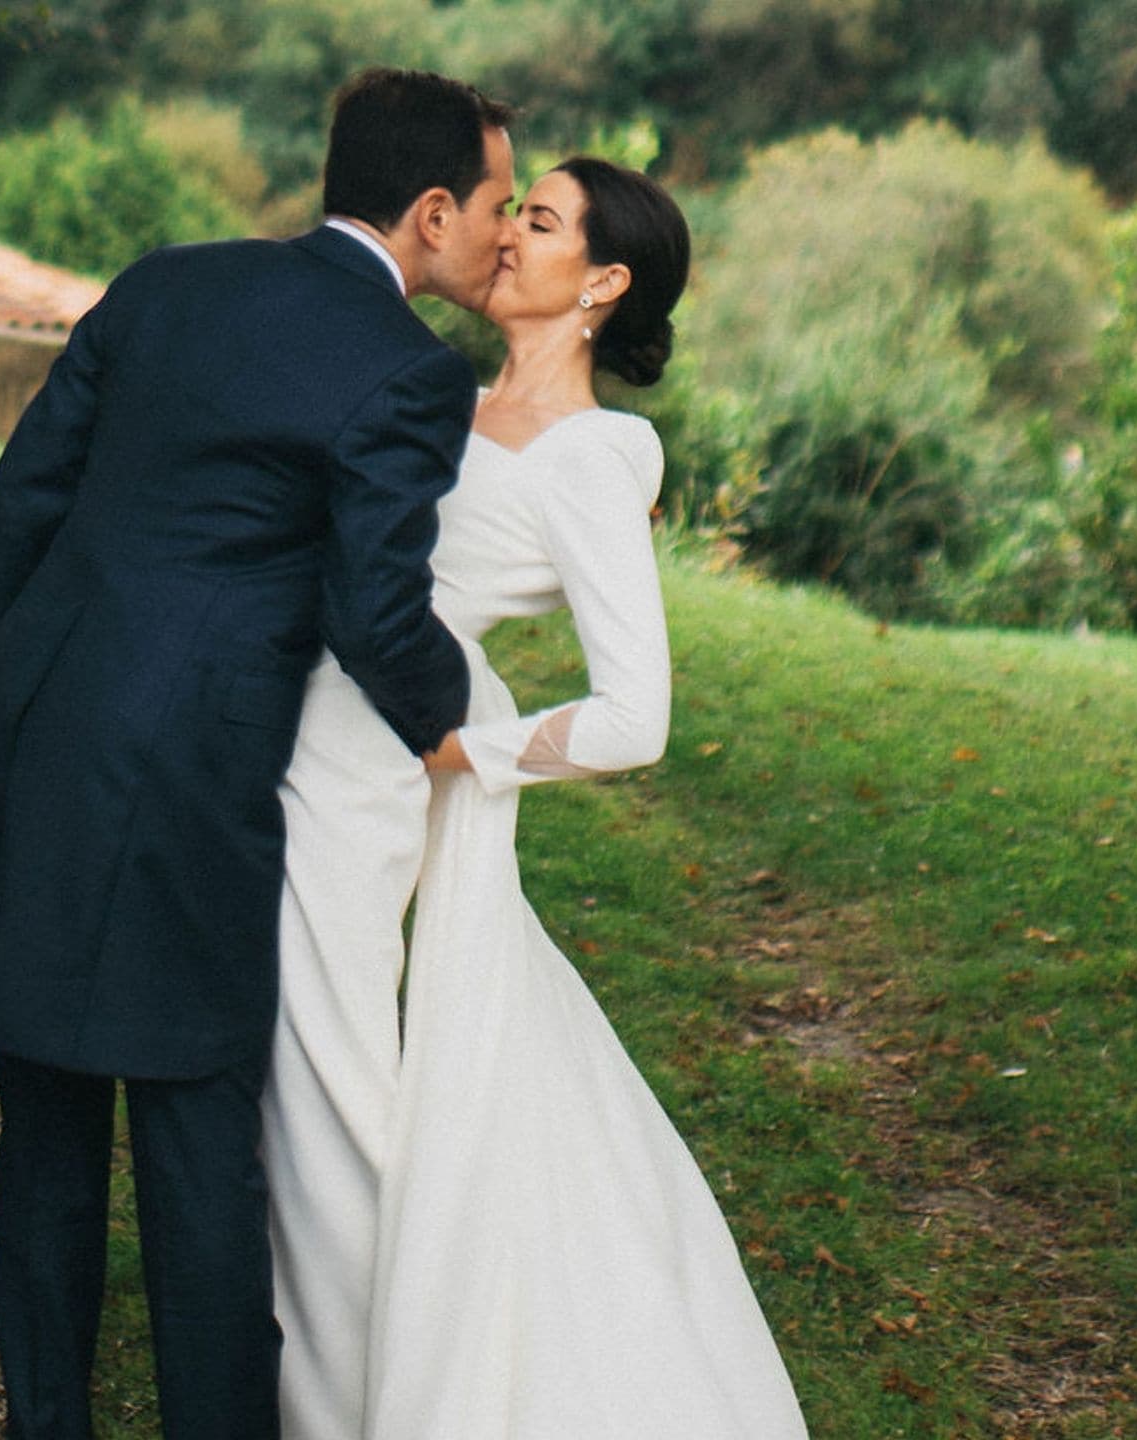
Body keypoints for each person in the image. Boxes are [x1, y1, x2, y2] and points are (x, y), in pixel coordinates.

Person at [0, 68, 516, 1440]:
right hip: (193, 779)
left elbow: (21, 496)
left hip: (44, 721)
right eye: (499, 206)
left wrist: (13, 698)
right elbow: (377, 614)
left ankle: (49, 1423)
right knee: (199, 1128)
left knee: (43, 1116)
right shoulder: (409, 375)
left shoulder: (166, 282)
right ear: (432, 209)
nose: (503, 237)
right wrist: (471, 723)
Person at [262, 158, 810, 1437]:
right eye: (518, 211)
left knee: (335, 1084)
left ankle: (365, 1403)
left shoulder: (594, 456)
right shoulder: (433, 397)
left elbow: (636, 716)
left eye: (544, 221)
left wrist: (473, 750)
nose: (508, 237)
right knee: (324, 1080)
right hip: (316, 735)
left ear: (604, 283)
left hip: (402, 766)